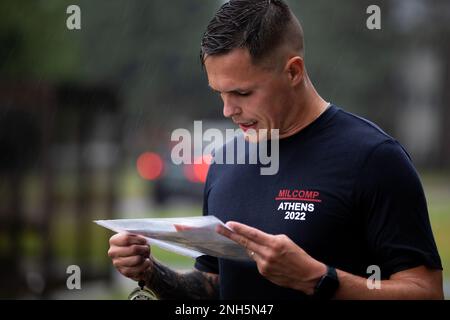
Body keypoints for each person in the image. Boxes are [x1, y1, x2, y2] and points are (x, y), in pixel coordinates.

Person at [108, 0, 443, 299]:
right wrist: (150, 271)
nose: (228, 110)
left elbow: (426, 291)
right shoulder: (225, 161)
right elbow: (215, 286)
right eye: (219, 94)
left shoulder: (374, 158)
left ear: (293, 71)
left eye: (242, 93)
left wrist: (318, 279)